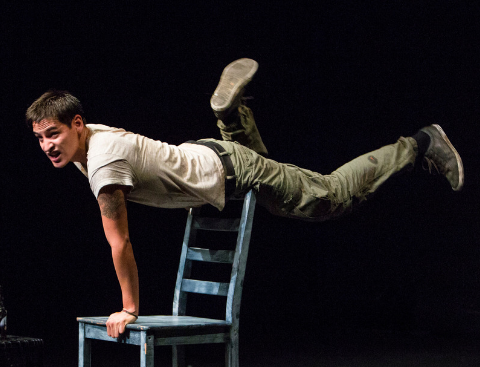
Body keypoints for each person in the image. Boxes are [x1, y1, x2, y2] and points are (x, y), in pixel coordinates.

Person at [26, 58, 464, 338]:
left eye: (54, 134)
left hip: (230, 171)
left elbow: (119, 242)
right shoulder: (91, 139)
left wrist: (128, 308)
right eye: (40, 138)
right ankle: (230, 117)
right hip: (208, 156)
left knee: (330, 195)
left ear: (78, 123)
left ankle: (421, 143)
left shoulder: (101, 163)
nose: (47, 145)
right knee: (272, 176)